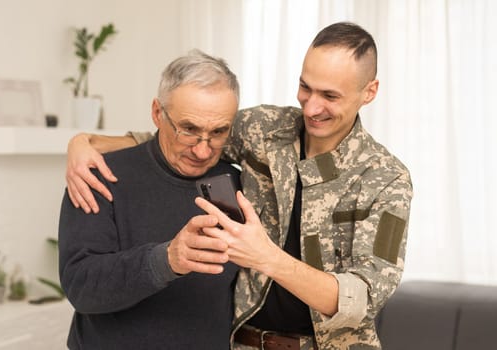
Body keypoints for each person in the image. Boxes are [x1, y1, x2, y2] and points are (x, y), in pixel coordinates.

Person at [65, 22, 413, 349]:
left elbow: (363, 299)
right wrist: (86, 142)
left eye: (330, 96)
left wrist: (267, 257)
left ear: (370, 92)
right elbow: (180, 138)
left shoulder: (387, 178)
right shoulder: (265, 128)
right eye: (305, 87)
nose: (312, 107)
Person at [58, 49, 242, 349]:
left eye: (218, 132)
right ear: (158, 113)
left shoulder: (236, 183)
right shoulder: (99, 175)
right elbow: (81, 286)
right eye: (189, 130)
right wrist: (167, 259)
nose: (203, 150)